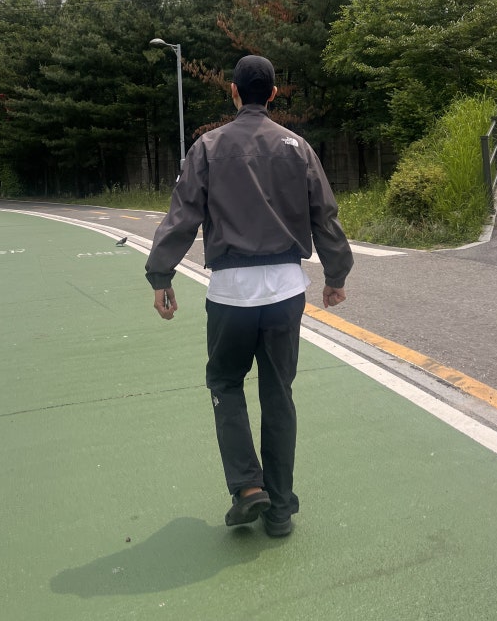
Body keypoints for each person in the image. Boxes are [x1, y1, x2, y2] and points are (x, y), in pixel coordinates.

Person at [145, 55, 353, 537]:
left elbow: (182, 216)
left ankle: (247, 487)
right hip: (286, 290)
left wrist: (161, 276)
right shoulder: (298, 147)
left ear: (234, 92)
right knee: (278, 394)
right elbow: (324, 215)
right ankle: (280, 510)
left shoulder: (208, 147)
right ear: (273, 94)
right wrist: (336, 274)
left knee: (224, 381)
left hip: (231, 292)